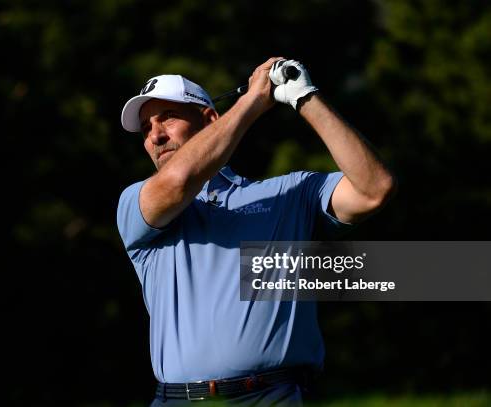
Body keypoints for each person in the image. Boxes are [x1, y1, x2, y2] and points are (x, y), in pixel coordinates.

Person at [116, 57, 396, 406]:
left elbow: (374, 188)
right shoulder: (136, 204)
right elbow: (177, 185)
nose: (155, 136)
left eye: (168, 118)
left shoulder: (288, 195)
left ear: (210, 119)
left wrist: (305, 97)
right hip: (178, 400)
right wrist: (252, 101)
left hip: (273, 397)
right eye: (145, 128)